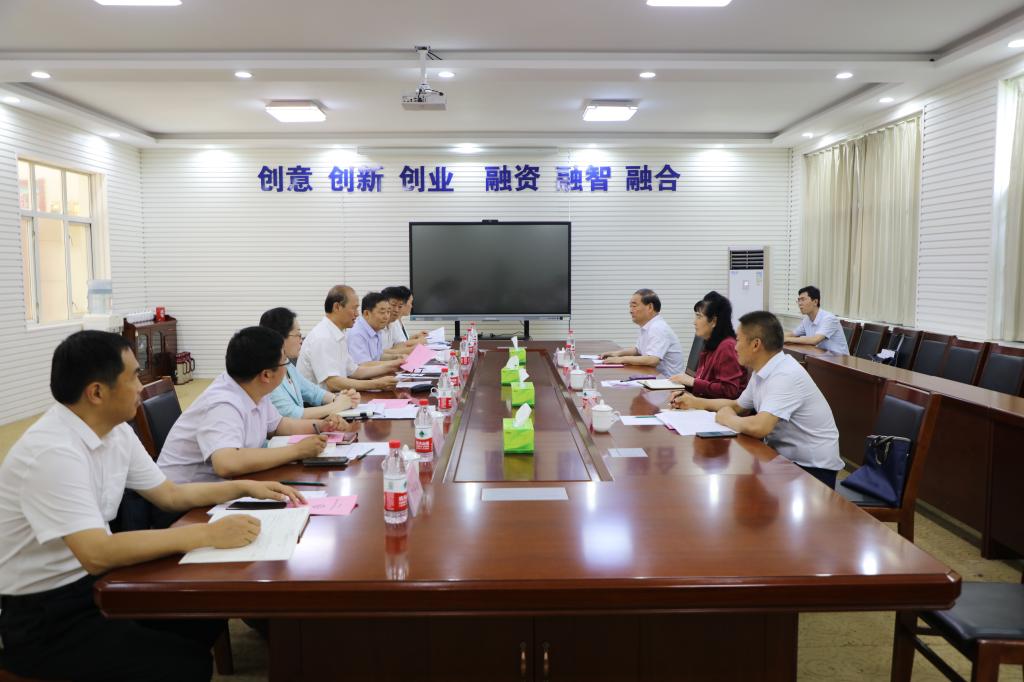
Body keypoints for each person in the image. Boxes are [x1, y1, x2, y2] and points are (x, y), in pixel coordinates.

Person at [0, 330, 304, 682]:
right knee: (184, 665)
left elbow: (169, 494)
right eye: (133, 377)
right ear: (96, 392)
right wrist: (207, 535)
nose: (140, 387)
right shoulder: (52, 452)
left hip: (97, 584)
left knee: (202, 616)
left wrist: (243, 487)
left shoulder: (115, 431)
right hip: (45, 613)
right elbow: (96, 552)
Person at [158, 326, 349, 484]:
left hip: (224, 488)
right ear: (266, 375)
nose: (287, 368)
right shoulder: (222, 403)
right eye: (285, 363)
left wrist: (321, 426)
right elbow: (226, 463)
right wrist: (296, 451)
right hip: (185, 504)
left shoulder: (252, 387)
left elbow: (278, 426)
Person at [672, 311, 843, 488]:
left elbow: (760, 427)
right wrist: (695, 402)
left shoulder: (785, 374)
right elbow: (738, 406)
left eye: (738, 340)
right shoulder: (762, 369)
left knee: (736, 486)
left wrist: (727, 418)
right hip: (784, 460)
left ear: (755, 344)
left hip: (813, 470)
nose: (735, 347)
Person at [259, 306, 360, 419]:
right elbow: (290, 414)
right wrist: (336, 406)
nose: (301, 340)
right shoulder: (267, 373)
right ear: (280, 338)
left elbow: (312, 391)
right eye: (298, 335)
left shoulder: (286, 363)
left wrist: (337, 399)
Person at [297, 285, 401, 391]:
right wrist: (376, 384)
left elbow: (355, 371)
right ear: (337, 307)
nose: (357, 314)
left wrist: (392, 366)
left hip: (337, 397)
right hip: (321, 400)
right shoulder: (323, 337)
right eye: (354, 308)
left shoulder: (338, 334)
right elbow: (333, 383)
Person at [668, 291, 747, 399]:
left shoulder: (727, 346)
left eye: (699, 317)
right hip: (706, 403)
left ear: (713, 321)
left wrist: (692, 382)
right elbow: (703, 382)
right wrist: (684, 390)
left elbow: (729, 390)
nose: (694, 322)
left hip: (722, 407)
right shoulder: (710, 343)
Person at [599, 288, 684, 377]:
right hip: (655, 377)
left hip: (668, 382)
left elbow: (652, 360)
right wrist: (617, 354)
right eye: (630, 306)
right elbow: (638, 350)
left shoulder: (658, 327)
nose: (630, 311)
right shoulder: (648, 326)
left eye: (634, 306)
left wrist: (621, 359)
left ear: (650, 307)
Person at [783, 285, 850, 355]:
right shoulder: (807, 320)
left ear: (815, 302)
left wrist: (787, 339)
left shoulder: (829, 318)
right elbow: (793, 334)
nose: (800, 303)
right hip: (821, 356)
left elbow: (814, 340)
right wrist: (778, 337)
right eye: (799, 300)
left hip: (839, 358)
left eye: (803, 300)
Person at [347, 292, 393, 364]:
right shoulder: (357, 334)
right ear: (367, 314)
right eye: (382, 312)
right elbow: (364, 365)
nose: (386, 317)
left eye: (388, 312)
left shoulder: (376, 329)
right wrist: (394, 363)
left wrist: (398, 357)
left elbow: (378, 357)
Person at [380, 285, 426, 353]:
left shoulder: (392, 323)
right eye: (393, 305)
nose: (396, 310)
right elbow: (380, 354)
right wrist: (414, 345)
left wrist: (415, 340)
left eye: (400, 306)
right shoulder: (378, 326)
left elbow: (399, 344)